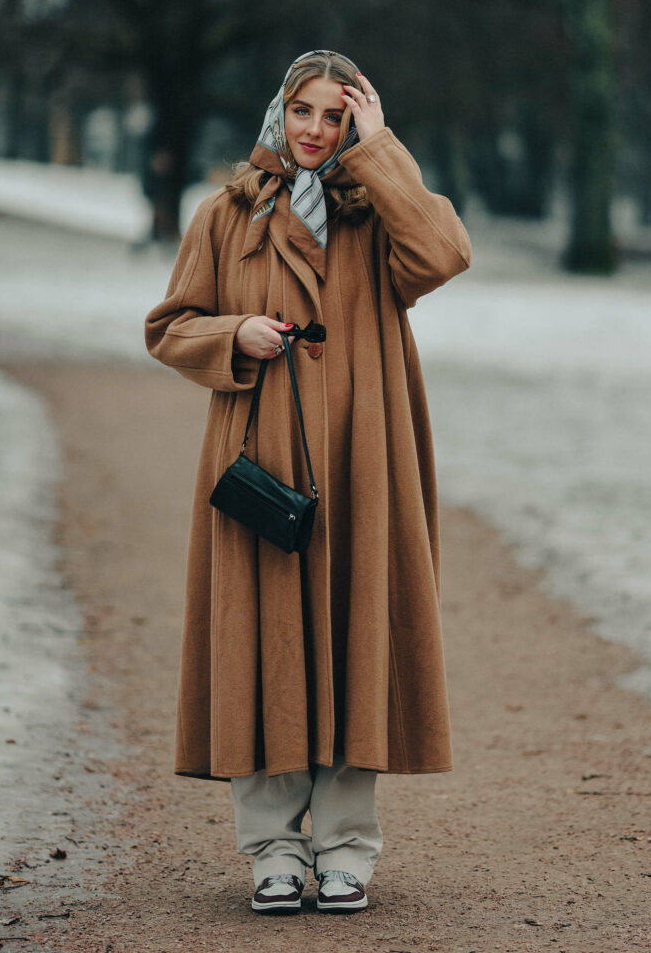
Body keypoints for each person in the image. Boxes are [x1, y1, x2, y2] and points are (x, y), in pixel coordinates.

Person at [144, 49, 472, 914]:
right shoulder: (227, 212)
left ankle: (345, 850)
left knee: (353, 637)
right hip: (260, 464)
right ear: (277, 113)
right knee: (263, 643)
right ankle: (272, 850)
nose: (317, 131)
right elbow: (169, 327)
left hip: (364, 458)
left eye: (336, 115)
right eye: (304, 112)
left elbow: (444, 254)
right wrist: (231, 336)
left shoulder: (379, 216)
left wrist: (382, 147)